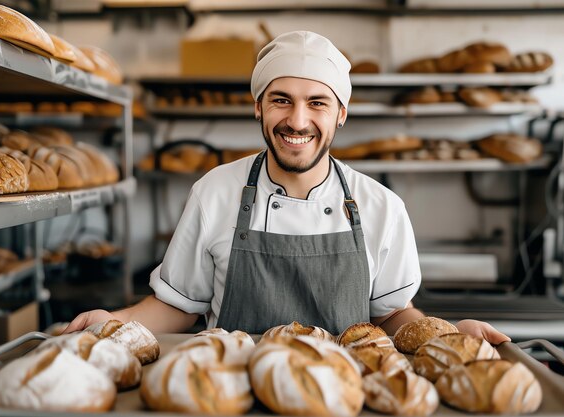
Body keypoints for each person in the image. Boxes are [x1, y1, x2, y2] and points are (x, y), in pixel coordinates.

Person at [65, 31, 509, 344]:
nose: (297, 121)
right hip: (230, 389)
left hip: (342, 394)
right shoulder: (215, 192)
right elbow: (182, 306)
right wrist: (114, 321)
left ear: (341, 114)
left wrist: (448, 334)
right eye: (282, 100)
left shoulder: (381, 207)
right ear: (258, 108)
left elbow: (392, 314)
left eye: (317, 102)